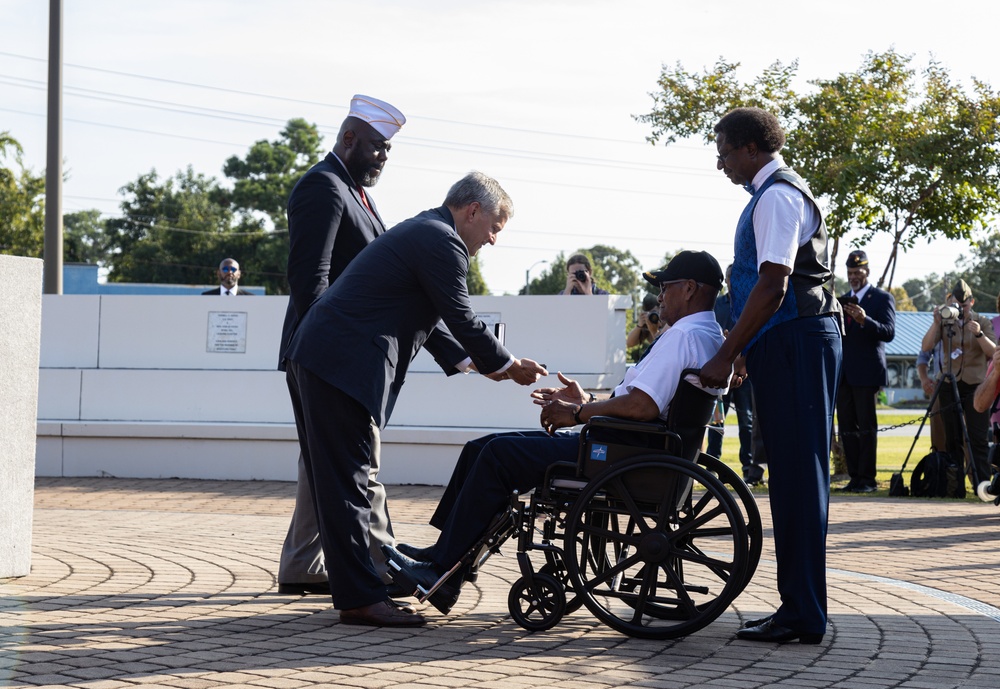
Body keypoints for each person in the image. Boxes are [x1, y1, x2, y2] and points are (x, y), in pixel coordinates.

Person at [383, 250, 726, 615]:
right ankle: (444, 556)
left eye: (665, 286)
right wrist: (590, 400)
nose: (660, 295)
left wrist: (578, 412)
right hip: (630, 444)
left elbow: (643, 407)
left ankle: (441, 572)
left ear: (689, 289)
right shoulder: (706, 334)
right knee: (481, 447)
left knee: (497, 456)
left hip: (622, 453)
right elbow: (643, 402)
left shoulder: (684, 336)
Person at [283, 171, 547, 627]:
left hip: (327, 360)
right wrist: (506, 364)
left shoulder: (426, 232)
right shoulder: (442, 241)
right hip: (339, 365)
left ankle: (361, 590)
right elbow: (461, 316)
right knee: (348, 484)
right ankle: (361, 599)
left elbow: (439, 324)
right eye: (494, 228)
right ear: (473, 211)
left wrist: (485, 366)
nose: (492, 240)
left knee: (344, 483)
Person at [700, 107, 842, 645]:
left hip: (797, 340)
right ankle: (800, 609)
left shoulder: (778, 195)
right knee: (789, 477)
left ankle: (803, 614)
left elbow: (773, 284)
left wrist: (726, 351)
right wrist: (742, 353)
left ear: (751, 149)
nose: (720, 163)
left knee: (799, 481)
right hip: (786, 340)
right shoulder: (771, 193)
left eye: (724, 151)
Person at [276, 95, 421, 598]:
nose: (384, 157)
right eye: (378, 147)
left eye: (389, 151)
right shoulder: (323, 187)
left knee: (322, 458)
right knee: (353, 462)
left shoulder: (355, 192)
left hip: (333, 353)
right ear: (349, 139)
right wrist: (327, 350)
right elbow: (309, 282)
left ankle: (301, 564)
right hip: (326, 355)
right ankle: (383, 565)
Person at [921, 279, 996, 485]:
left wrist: (978, 333)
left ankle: (982, 484)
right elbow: (926, 346)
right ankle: (955, 485)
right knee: (952, 438)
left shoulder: (983, 321)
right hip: (949, 384)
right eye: (955, 305)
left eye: (963, 305)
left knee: (978, 438)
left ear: (971, 302)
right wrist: (936, 322)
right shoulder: (946, 322)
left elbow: (993, 352)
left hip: (976, 387)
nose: (959, 309)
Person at [835, 250, 896, 493]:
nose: (853, 277)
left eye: (858, 273)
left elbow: (889, 332)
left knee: (866, 427)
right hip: (845, 375)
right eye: (850, 273)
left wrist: (865, 320)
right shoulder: (841, 300)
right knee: (847, 427)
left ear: (867, 272)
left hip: (867, 373)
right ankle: (854, 477)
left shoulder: (881, 299)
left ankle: (868, 479)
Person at [706, 264, 763, 485]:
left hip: (743, 374)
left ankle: (748, 467)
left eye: (735, 278)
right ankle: (712, 466)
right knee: (716, 421)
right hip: (720, 374)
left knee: (746, 421)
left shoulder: (751, 304)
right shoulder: (717, 305)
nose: (732, 281)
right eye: (730, 278)